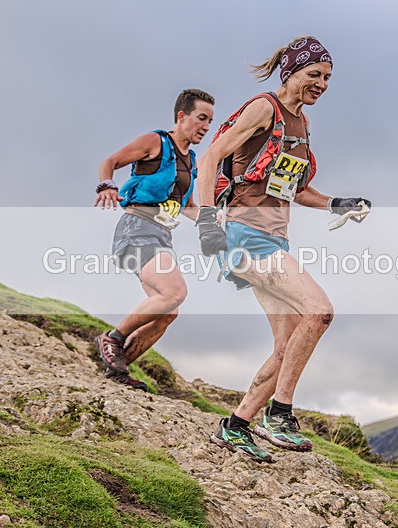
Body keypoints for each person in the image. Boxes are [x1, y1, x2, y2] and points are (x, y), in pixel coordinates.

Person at [195, 36, 371, 462]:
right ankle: (280, 414)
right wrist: (205, 221)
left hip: (275, 238)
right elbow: (210, 156)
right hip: (242, 235)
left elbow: (295, 190)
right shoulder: (264, 108)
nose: (322, 84)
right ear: (290, 72)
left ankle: (235, 425)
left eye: (328, 78)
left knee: (288, 342)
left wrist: (335, 203)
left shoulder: (301, 123)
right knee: (319, 310)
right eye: (314, 74)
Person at [93, 89, 215, 389]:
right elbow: (110, 161)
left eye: (210, 121)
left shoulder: (191, 160)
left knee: (167, 312)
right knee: (174, 292)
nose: (206, 127)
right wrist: (107, 186)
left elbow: (185, 206)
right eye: (202, 118)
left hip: (161, 235)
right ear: (181, 116)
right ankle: (113, 339)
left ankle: (117, 372)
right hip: (137, 228)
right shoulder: (155, 142)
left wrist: (213, 221)